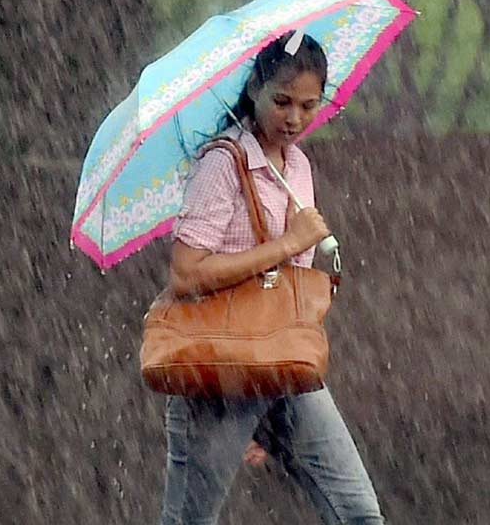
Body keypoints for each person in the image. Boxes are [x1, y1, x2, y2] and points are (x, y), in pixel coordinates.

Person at [160, 31, 384, 524]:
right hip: (219, 372)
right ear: (255, 88)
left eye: (309, 105)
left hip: (282, 364)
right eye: (282, 101)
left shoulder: (298, 165)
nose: (294, 118)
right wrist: (285, 244)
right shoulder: (223, 163)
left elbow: (287, 281)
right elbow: (185, 272)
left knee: (359, 514)